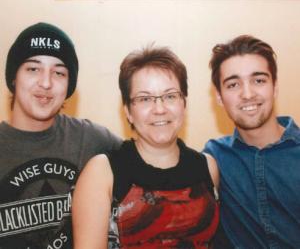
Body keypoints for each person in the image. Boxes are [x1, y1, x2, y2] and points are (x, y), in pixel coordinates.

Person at [72, 46, 220, 248]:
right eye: (145, 99)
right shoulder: (102, 173)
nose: (159, 109)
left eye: (170, 96)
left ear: (184, 103)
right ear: (128, 111)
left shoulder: (207, 167)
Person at [0, 22, 121, 249]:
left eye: (58, 72)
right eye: (33, 69)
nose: (46, 83)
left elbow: (148, 157)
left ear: (69, 85)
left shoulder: (90, 138)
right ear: (14, 77)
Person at [204, 35, 300, 248]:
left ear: (274, 87)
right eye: (233, 84)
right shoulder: (214, 156)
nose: (247, 94)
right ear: (219, 97)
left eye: (258, 80)